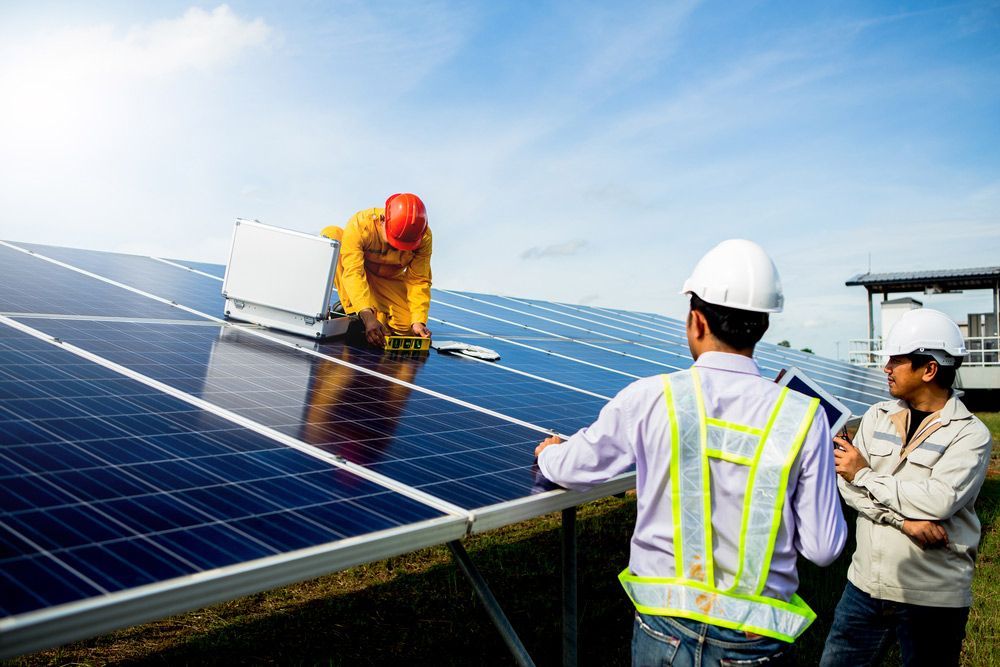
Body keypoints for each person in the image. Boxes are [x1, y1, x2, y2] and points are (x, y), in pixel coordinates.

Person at [535, 239, 847, 666]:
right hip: (754, 636)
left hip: (664, 625)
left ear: (696, 321)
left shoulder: (650, 397)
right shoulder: (803, 417)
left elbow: (576, 466)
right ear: (763, 327)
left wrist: (550, 453)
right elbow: (824, 548)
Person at [820, 308, 993, 667]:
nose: (886, 368)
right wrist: (903, 522)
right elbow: (846, 484)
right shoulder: (876, 416)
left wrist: (866, 475)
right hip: (864, 587)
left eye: (896, 361)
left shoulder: (969, 434)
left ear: (928, 369)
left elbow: (938, 501)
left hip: (932, 597)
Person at [321, 193, 432, 348]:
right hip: (358, 272)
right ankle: (354, 312)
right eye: (395, 242)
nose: (397, 248)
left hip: (386, 281)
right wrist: (367, 317)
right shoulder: (360, 225)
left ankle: (370, 310)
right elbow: (353, 272)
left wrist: (418, 321)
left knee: (406, 328)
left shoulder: (423, 238)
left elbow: (419, 280)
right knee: (332, 234)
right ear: (382, 220)